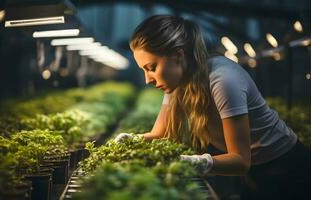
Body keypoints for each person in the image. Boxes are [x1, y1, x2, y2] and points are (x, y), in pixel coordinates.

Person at [114, 15, 311, 199]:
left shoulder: (223, 80)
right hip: (256, 170)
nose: (147, 79)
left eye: (151, 68)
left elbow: (240, 161)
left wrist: (196, 162)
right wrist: (131, 141)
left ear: (178, 55)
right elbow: (160, 134)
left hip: (287, 167)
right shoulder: (178, 83)